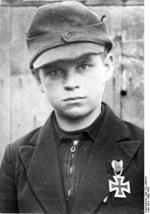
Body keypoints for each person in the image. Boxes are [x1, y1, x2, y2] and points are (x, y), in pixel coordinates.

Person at [0, 1, 144, 214]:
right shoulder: (16, 157)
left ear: (107, 67)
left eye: (84, 66)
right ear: (38, 79)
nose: (71, 83)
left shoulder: (144, 149)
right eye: (54, 72)